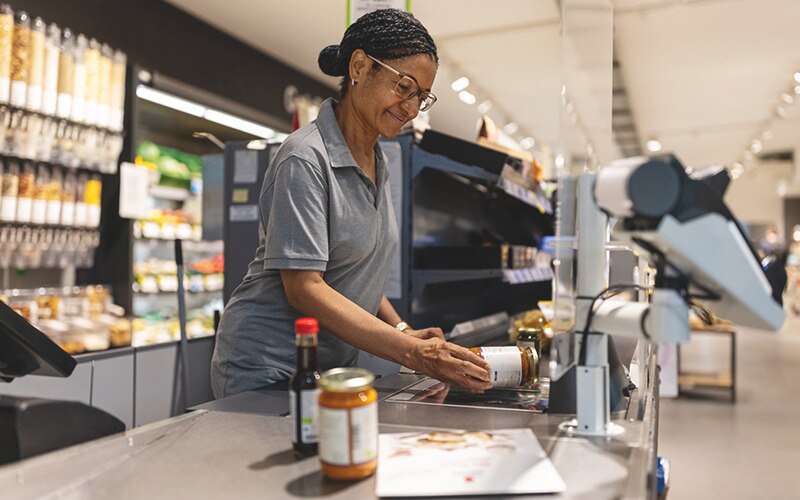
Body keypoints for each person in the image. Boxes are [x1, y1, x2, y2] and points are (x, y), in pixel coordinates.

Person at [211, 9, 492, 398]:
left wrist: (402, 330)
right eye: (404, 86)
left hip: (329, 368)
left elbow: (354, 270)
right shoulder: (305, 158)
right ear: (360, 67)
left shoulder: (378, 162)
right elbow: (304, 287)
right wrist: (414, 353)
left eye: (422, 97)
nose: (411, 108)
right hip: (268, 364)